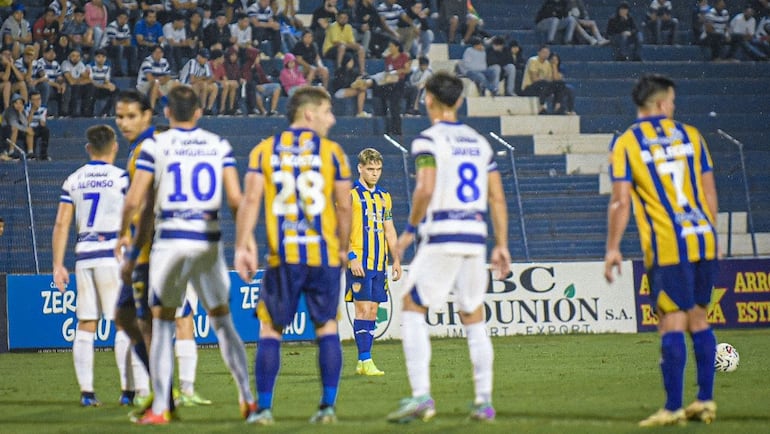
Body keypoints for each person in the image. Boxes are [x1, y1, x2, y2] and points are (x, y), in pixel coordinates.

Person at [118, 85, 256, 424]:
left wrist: (125, 237)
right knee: (223, 322)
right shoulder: (217, 144)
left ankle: (162, 407)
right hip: (207, 241)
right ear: (198, 112)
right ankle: (248, 399)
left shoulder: (155, 145)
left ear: (166, 113)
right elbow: (238, 199)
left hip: (169, 241)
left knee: (163, 324)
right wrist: (245, 241)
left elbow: (137, 201)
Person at [386, 71, 511, 423]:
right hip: (475, 237)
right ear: (458, 101)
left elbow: (425, 188)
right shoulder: (479, 143)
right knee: (473, 315)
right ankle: (484, 401)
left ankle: (421, 396)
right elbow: (497, 198)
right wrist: (501, 244)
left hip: (442, 234)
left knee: (412, 306)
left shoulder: (428, 141)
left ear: (428, 99)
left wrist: (410, 229)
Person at [604, 74, 720, 427]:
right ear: (659, 104)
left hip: (669, 244)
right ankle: (704, 401)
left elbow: (620, 202)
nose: (673, 108)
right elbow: (710, 194)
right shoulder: (691, 135)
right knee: (699, 318)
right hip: (704, 237)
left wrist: (612, 247)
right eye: (671, 101)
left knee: (671, 322)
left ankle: (672, 407)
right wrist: (708, 233)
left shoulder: (627, 143)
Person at [234, 86, 352, 425]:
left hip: (283, 256)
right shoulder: (332, 153)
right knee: (327, 328)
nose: (332, 119)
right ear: (309, 113)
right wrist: (343, 247)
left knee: (270, 330)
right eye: (328, 111)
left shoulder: (264, 151)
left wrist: (243, 244)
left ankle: (265, 410)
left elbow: (251, 200)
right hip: (325, 256)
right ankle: (327, 408)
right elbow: (344, 206)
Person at [52, 124, 129, 407]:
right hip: (113, 255)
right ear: (114, 146)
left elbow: (61, 223)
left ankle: (87, 393)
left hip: (84, 255)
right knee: (122, 323)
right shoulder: (122, 178)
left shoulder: (74, 179)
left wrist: (58, 264)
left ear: (88, 148)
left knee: (86, 323)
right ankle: (127, 393)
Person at [346, 148, 402, 376]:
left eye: (378, 169)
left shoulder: (384, 197)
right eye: (370, 169)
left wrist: (396, 259)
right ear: (360, 168)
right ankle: (365, 359)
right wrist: (351, 256)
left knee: (372, 311)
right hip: (360, 260)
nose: (374, 174)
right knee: (363, 309)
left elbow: (389, 230)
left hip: (380, 263)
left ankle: (363, 363)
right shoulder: (350, 196)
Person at [375, 40, 410, 136]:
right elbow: (387, 71)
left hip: (399, 83)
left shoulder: (403, 56)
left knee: (395, 106)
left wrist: (397, 71)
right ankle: (388, 129)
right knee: (387, 104)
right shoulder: (388, 58)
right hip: (389, 82)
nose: (390, 48)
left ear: (397, 47)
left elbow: (407, 69)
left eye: (391, 46)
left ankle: (397, 130)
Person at [520, 45, 564, 114]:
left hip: (542, 87)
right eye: (543, 52)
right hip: (529, 88)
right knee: (543, 83)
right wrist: (544, 80)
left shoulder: (547, 64)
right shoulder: (533, 60)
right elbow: (534, 79)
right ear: (538, 53)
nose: (545, 54)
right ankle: (541, 107)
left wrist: (554, 65)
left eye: (547, 52)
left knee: (560, 83)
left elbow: (551, 80)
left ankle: (557, 107)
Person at [323, 9, 366, 74]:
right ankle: (338, 69)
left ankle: (362, 72)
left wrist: (357, 46)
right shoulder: (333, 26)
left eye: (345, 18)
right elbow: (336, 43)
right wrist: (350, 45)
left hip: (344, 48)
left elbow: (351, 42)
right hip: (330, 50)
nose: (343, 20)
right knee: (342, 47)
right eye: (341, 18)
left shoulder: (348, 27)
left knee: (361, 48)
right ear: (337, 18)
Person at [136, 45, 177, 110]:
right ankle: (151, 108)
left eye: (160, 52)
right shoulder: (147, 61)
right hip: (144, 86)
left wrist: (162, 80)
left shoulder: (164, 61)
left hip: (160, 84)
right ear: (152, 53)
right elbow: (150, 79)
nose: (158, 54)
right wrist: (161, 79)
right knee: (155, 83)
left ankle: (177, 106)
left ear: (162, 54)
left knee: (176, 83)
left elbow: (168, 77)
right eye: (156, 52)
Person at [244, 47, 281, 116]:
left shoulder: (258, 66)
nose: (259, 58)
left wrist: (268, 83)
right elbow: (247, 80)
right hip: (253, 88)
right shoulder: (246, 67)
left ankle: (272, 110)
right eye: (257, 56)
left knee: (277, 86)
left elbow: (263, 78)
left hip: (262, 86)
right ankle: (263, 111)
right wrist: (256, 86)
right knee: (255, 92)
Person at [331, 52, 370, 117]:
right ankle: (359, 112)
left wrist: (359, 79)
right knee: (361, 90)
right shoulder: (339, 71)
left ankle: (360, 112)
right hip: (339, 92)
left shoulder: (353, 71)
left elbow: (359, 79)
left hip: (348, 91)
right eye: (350, 61)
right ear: (346, 61)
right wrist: (353, 83)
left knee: (362, 90)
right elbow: (341, 85)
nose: (352, 63)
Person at [179, 48, 217, 114]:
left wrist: (203, 80)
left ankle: (208, 109)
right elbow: (192, 80)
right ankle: (199, 108)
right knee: (202, 84)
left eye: (206, 58)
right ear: (198, 57)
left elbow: (211, 78)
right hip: (185, 84)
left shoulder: (206, 64)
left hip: (198, 84)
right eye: (204, 58)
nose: (205, 60)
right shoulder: (193, 62)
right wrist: (203, 78)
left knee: (214, 86)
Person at [102, 9, 137, 77]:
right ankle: (118, 71)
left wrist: (120, 42)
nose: (123, 20)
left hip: (119, 48)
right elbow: (114, 43)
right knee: (119, 48)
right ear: (117, 18)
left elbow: (128, 43)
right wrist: (123, 42)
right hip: (106, 48)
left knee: (133, 48)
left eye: (125, 18)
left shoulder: (126, 26)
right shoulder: (112, 26)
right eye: (121, 18)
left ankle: (132, 71)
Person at [1, 94, 34, 159]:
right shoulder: (9, 110)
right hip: (4, 130)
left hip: (15, 131)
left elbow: (26, 124)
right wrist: (26, 129)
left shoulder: (22, 111)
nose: (19, 105)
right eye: (16, 103)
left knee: (29, 129)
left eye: (20, 103)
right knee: (15, 128)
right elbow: (13, 123)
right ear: (13, 103)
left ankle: (30, 152)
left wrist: (20, 113)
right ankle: (11, 152)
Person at [87, 48, 117, 117]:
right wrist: (104, 86)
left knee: (115, 90)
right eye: (99, 57)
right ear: (95, 58)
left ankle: (105, 112)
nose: (101, 59)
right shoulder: (90, 66)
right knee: (92, 88)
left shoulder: (107, 67)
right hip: (92, 88)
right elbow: (91, 81)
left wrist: (110, 85)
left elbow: (106, 80)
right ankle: (89, 113)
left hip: (101, 88)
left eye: (103, 57)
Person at [61, 49, 91, 117]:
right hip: (66, 85)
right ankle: (67, 112)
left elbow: (88, 80)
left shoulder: (80, 64)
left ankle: (86, 111)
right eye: (73, 56)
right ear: (69, 57)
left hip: (77, 85)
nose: (76, 58)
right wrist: (80, 80)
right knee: (74, 87)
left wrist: (78, 80)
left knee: (90, 86)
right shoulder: (65, 63)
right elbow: (70, 81)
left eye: (78, 56)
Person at [25, 90, 51, 160]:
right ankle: (31, 154)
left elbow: (43, 124)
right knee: (29, 130)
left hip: (37, 127)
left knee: (45, 130)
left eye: (39, 99)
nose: (37, 102)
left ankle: (43, 154)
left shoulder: (43, 107)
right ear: (30, 100)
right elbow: (27, 123)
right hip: (27, 128)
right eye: (34, 100)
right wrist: (32, 111)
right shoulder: (26, 107)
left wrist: (40, 114)